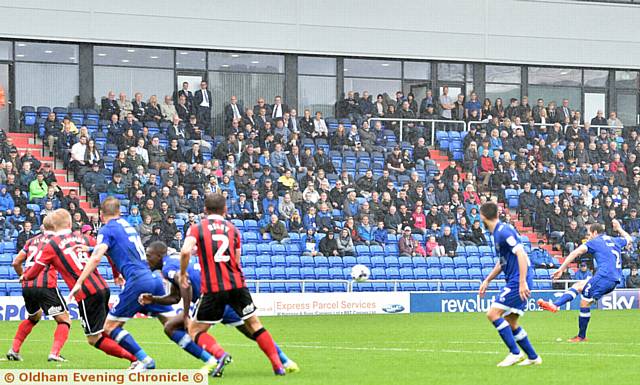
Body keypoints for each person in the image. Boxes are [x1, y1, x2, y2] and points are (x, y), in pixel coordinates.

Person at [70, 197, 217, 373]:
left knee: (110, 327)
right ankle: (210, 359)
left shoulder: (107, 229)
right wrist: (91, 250)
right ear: (119, 212)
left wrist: (80, 281)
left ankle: (145, 360)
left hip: (137, 282)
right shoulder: (127, 226)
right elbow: (120, 248)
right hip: (153, 279)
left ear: (101, 215)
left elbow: (97, 257)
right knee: (171, 326)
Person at [140, 241, 299, 376]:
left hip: (210, 298)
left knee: (172, 327)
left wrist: (187, 314)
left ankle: (213, 359)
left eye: (149, 256)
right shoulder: (176, 260)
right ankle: (286, 362)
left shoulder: (168, 267)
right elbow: (175, 297)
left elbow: (185, 284)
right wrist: (153, 299)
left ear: (159, 256)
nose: (147, 260)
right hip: (226, 293)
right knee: (252, 331)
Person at [178, 193, 287, 376]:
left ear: (205, 210)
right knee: (254, 324)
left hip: (213, 287)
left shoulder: (197, 228)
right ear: (225, 209)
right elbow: (236, 260)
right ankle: (278, 365)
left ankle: (219, 355)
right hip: (237, 285)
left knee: (194, 329)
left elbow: (185, 251)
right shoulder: (233, 229)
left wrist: (182, 274)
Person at [19, 210, 138, 368]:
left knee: (94, 338)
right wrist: (116, 274)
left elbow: (34, 271)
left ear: (53, 226)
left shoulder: (52, 245)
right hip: (103, 287)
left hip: (86, 293)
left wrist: (25, 277)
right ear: (70, 223)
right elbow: (108, 252)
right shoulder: (86, 238)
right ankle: (138, 357)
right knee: (106, 330)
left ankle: (136, 359)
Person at [538, 220, 632, 342]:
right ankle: (580, 335)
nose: (589, 236)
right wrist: (619, 228)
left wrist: (561, 269)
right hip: (614, 279)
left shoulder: (594, 242)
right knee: (581, 292)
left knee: (580, 294)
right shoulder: (614, 240)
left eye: (589, 233)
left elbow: (575, 252)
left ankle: (555, 306)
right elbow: (629, 238)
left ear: (595, 232)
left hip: (604, 277)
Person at [478, 202, 541, 367]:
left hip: (517, 280)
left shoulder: (503, 232)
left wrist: (521, 282)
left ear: (482, 216)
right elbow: (502, 262)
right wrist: (487, 280)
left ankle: (514, 353)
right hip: (518, 279)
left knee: (492, 314)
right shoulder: (498, 232)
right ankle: (533, 357)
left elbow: (520, 253)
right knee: (511, 322)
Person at [7, 218, 70, 362]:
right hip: (46, 286)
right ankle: (54, 354)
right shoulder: (58, 241)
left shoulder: (31, 241)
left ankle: (14, 350)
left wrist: (24, 276)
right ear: (55, 227)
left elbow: (16, 262)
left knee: (33, 317)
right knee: (64, 320)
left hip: (28, 287)